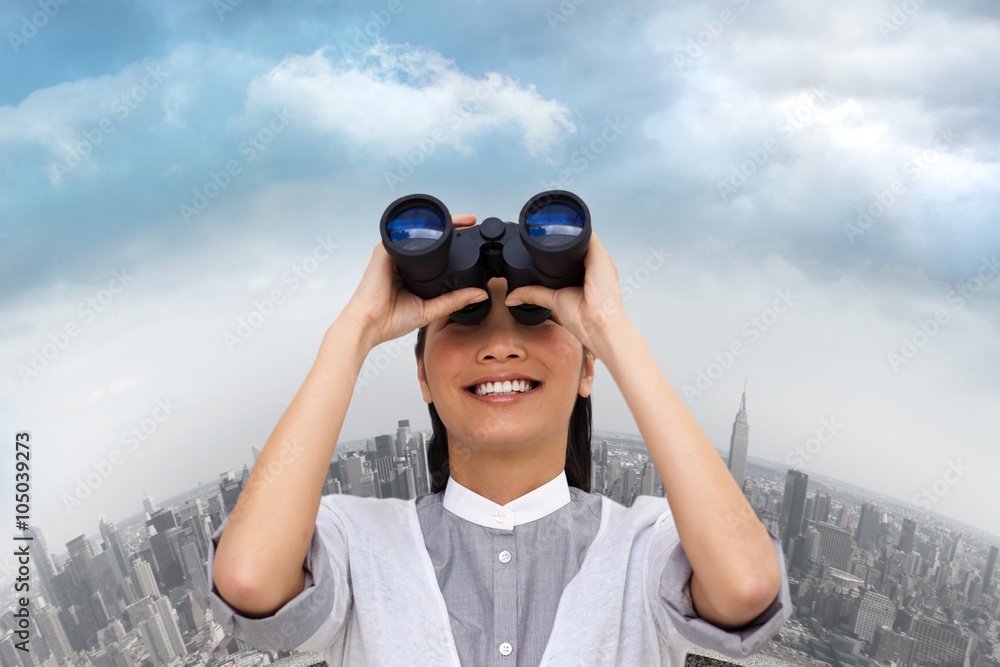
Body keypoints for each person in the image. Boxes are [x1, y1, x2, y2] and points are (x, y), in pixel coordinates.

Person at [208, 212, 792, 666]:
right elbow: (250, 578)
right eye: (463, 317)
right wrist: (353, 331)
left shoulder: (645, 548)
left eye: (535, 315)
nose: (500, 346)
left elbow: (744, 585)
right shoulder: (359, 545)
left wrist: (612, 328)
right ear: (422, 377)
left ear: (589, 368)